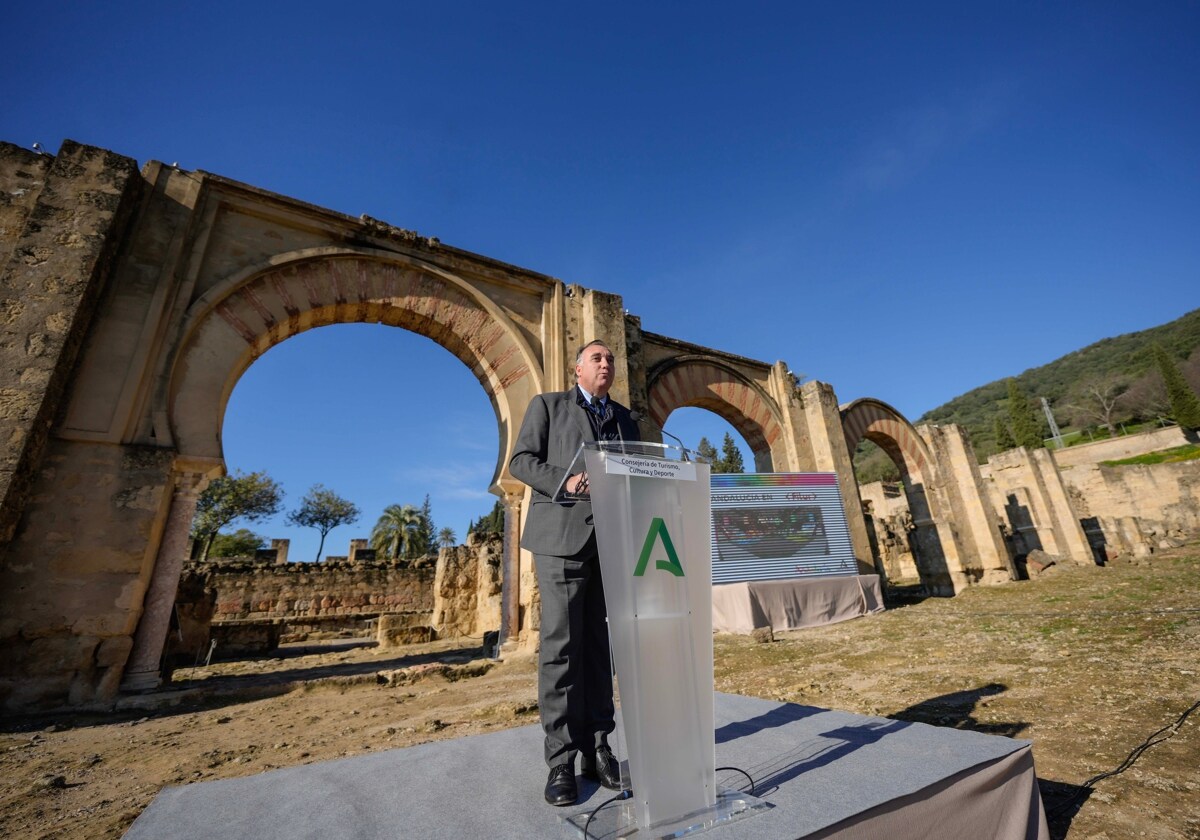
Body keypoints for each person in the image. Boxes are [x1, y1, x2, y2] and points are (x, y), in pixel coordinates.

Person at [509, 339, 639, 806]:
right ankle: (561, 760)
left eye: (610, 359)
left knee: (599, 647)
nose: (606, 364)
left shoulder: (626, 419)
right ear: (577, 368)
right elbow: (521, 461)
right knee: (561, 647)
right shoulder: (548, 406)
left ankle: (598, 749)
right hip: (562, 540)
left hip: (611, 541)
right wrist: (564, 482)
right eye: (597, 358)